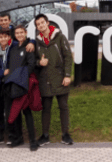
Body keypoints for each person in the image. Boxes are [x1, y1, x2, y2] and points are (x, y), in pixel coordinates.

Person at [33, 14, 74, 146]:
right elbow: (33, 61)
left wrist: (67, 75)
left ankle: (65, 135)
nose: (40, 25)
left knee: (63, 106)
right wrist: (40, 62)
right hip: (45, 80)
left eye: (42, 23)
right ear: (37, 27)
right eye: (38, 24)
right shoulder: (37, 42)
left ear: (47, 22)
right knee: (46, 108)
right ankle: (45, 136)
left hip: (60, 78)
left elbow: (68, 56)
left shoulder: (60, 37)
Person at [3, 25, 39, 151]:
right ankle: (18, 138)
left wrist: (21, 78)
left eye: (21, 32)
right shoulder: (13, 49)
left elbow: (31, 65)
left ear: (25, 33)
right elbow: (10, 66)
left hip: (24, 85)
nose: (19, 35)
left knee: (27, 112)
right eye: (17, 33)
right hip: (13, 85)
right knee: (15, 112)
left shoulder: (29, 47)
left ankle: (33, 140)